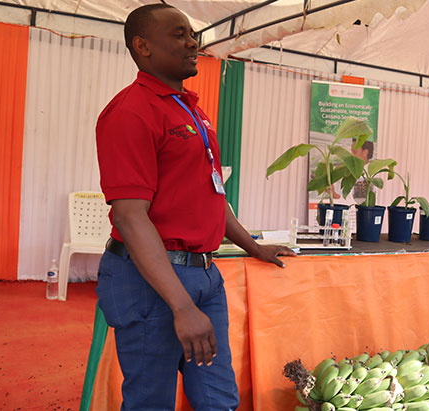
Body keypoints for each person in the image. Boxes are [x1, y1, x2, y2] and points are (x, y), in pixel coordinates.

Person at [95, 4, 295, 409]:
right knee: (150, 401)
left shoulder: (190, 109)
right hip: (152, 281)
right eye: (179, 34)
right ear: (143, 46)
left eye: (192, 34)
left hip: (203, 276)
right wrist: (182, 306)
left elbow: (211, 194)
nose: (193, 43)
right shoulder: (131, 112)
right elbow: (130, 218)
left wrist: (253, 246)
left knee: (218, 399)